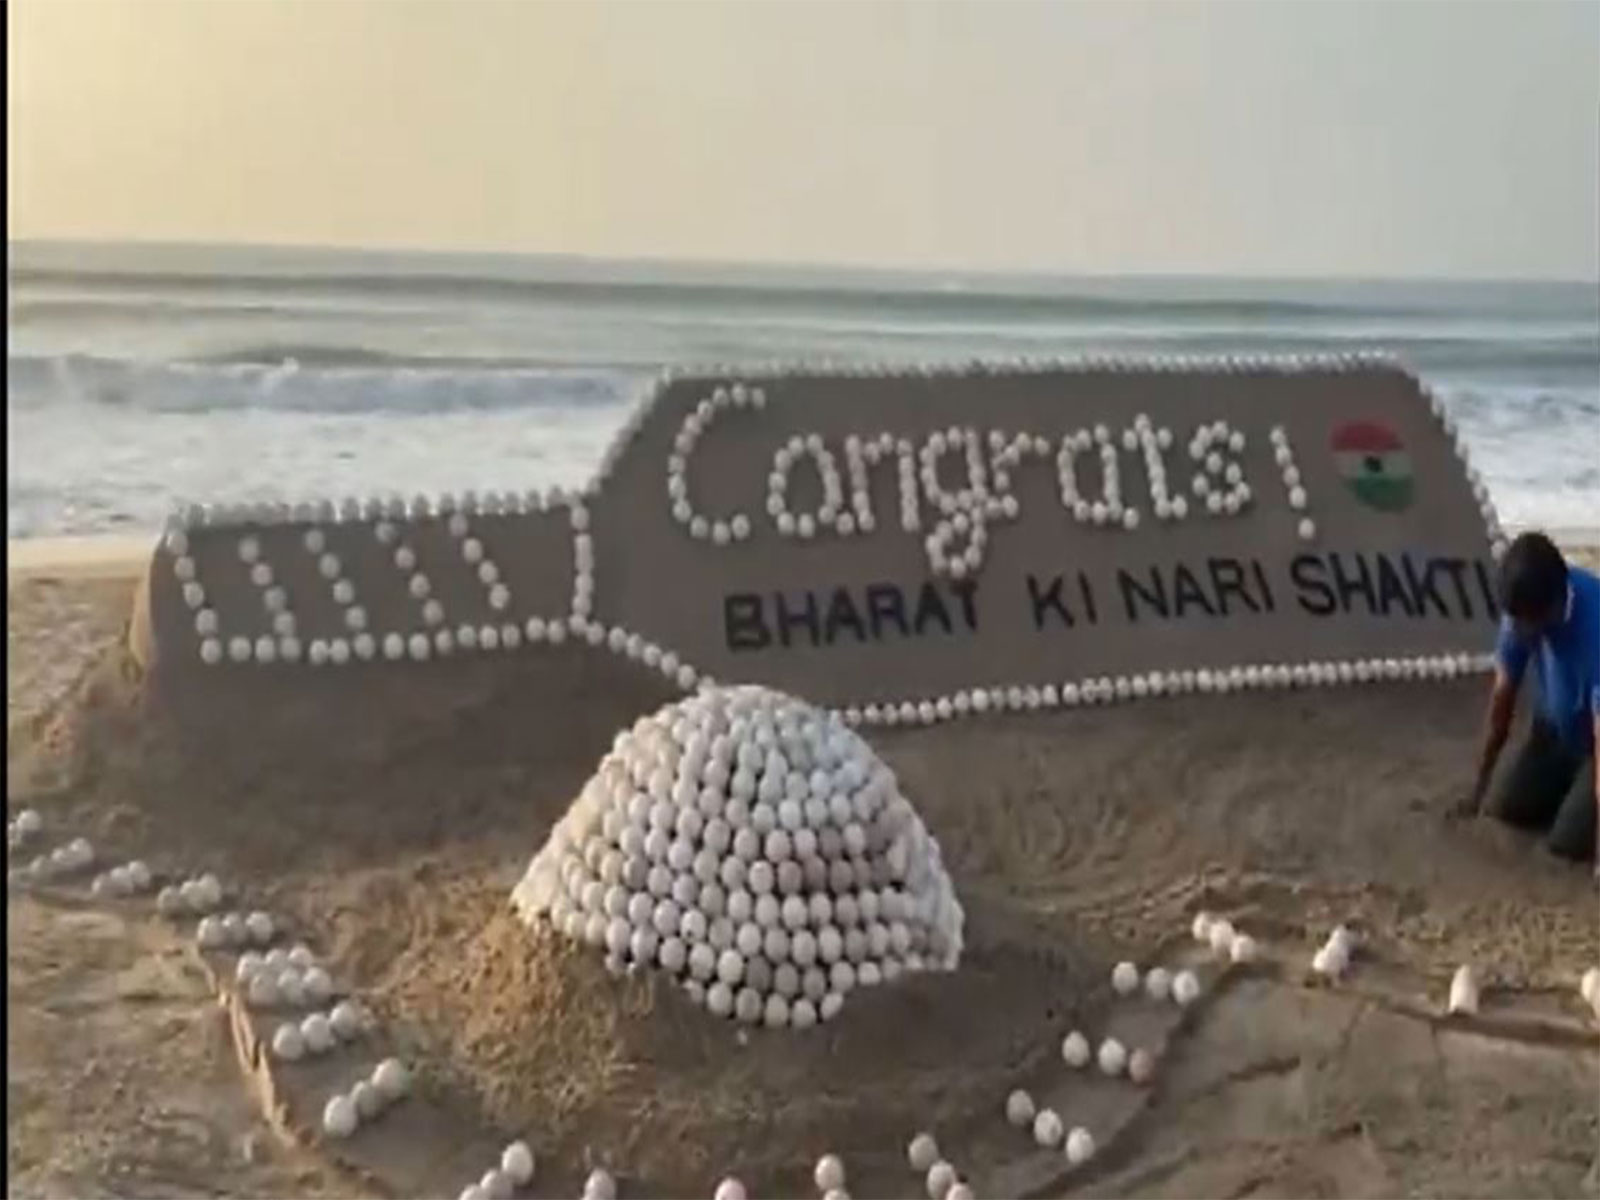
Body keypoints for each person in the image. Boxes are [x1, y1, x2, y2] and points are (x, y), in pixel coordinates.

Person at [1459, 531, 1599, 866]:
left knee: (1565, 843)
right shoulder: (1521, 612)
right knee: (1505, 808)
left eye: (1527, 622)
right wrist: (1478, 789)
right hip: (1554, 731)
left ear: (1552, 606)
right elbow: (1502, 702)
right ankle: (1569, 791)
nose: (1519, 631)